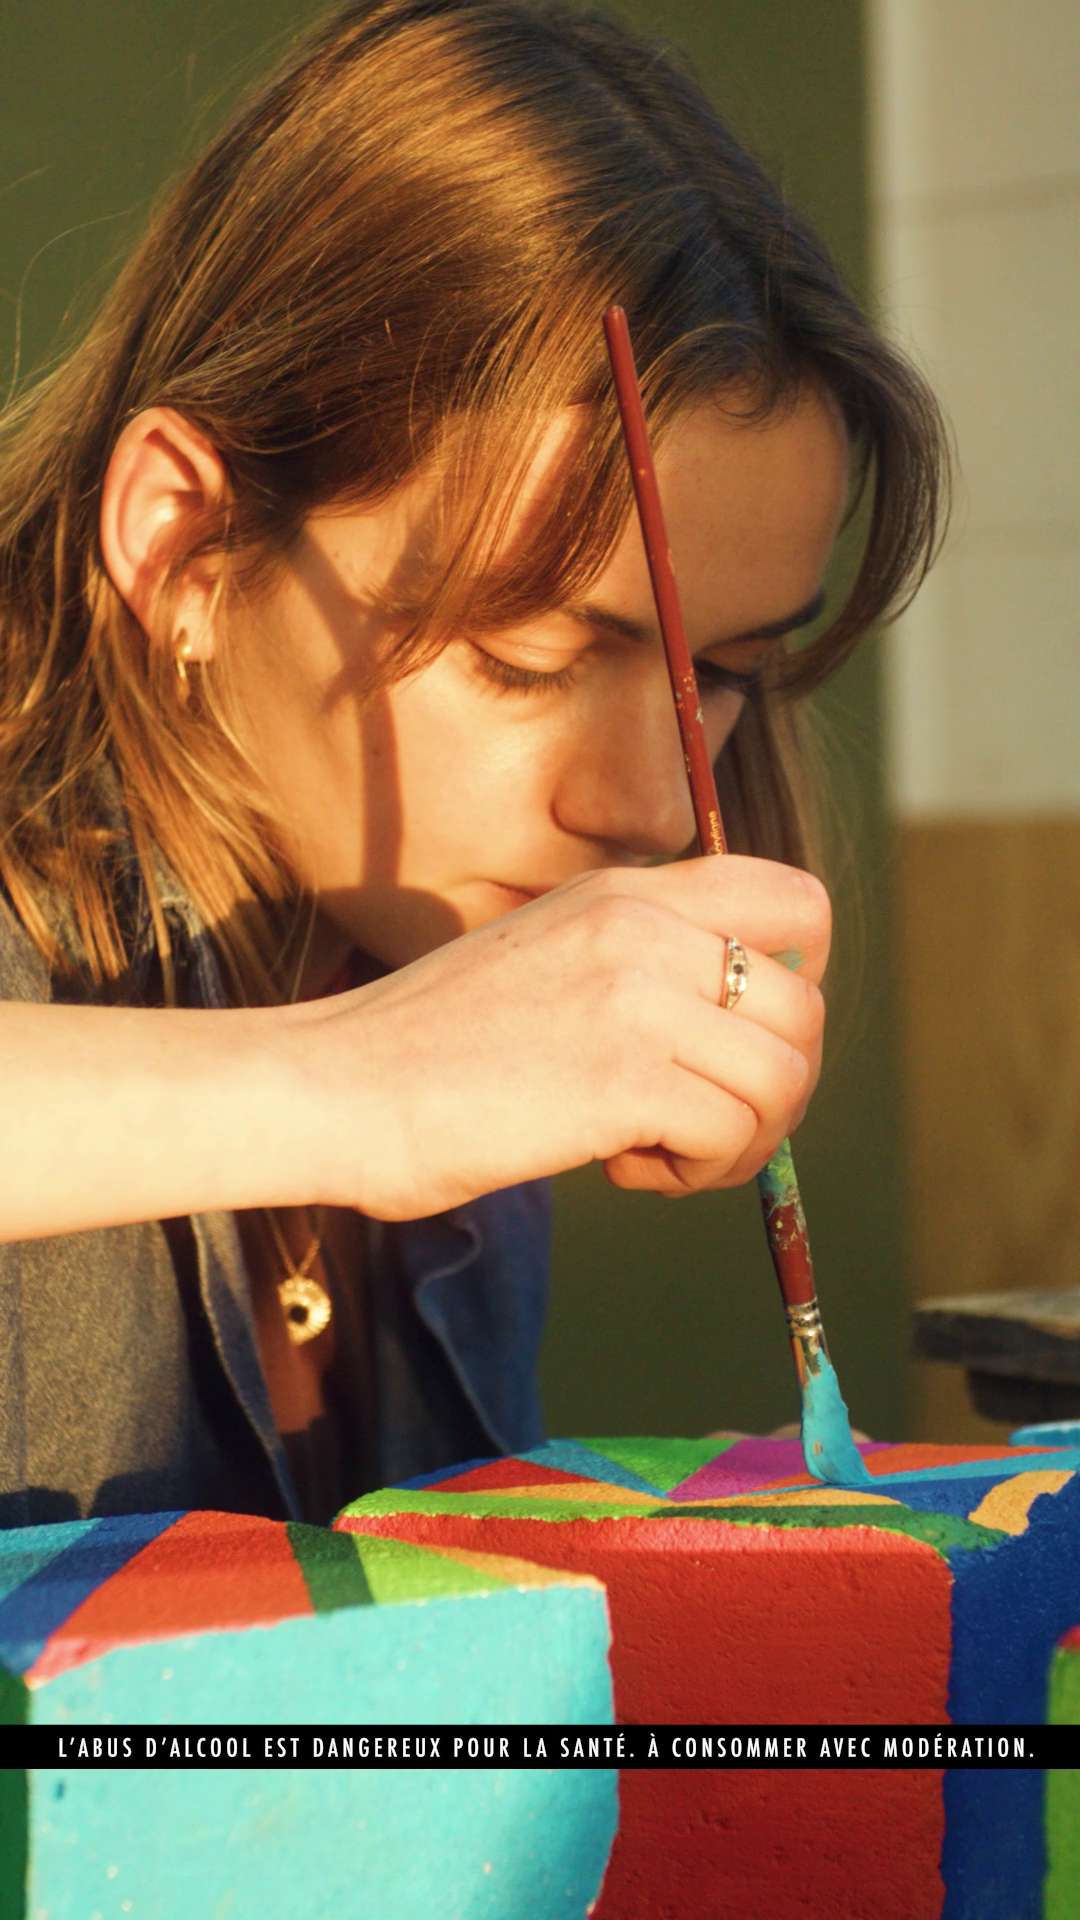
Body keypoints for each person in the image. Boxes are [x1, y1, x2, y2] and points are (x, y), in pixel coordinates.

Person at [0, 0, 946, 1526]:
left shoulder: (431, 947)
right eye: (530, 656)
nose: (640, 808)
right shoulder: (407, 1049)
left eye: (730, 676)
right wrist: (360, 1084)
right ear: (182, 542)